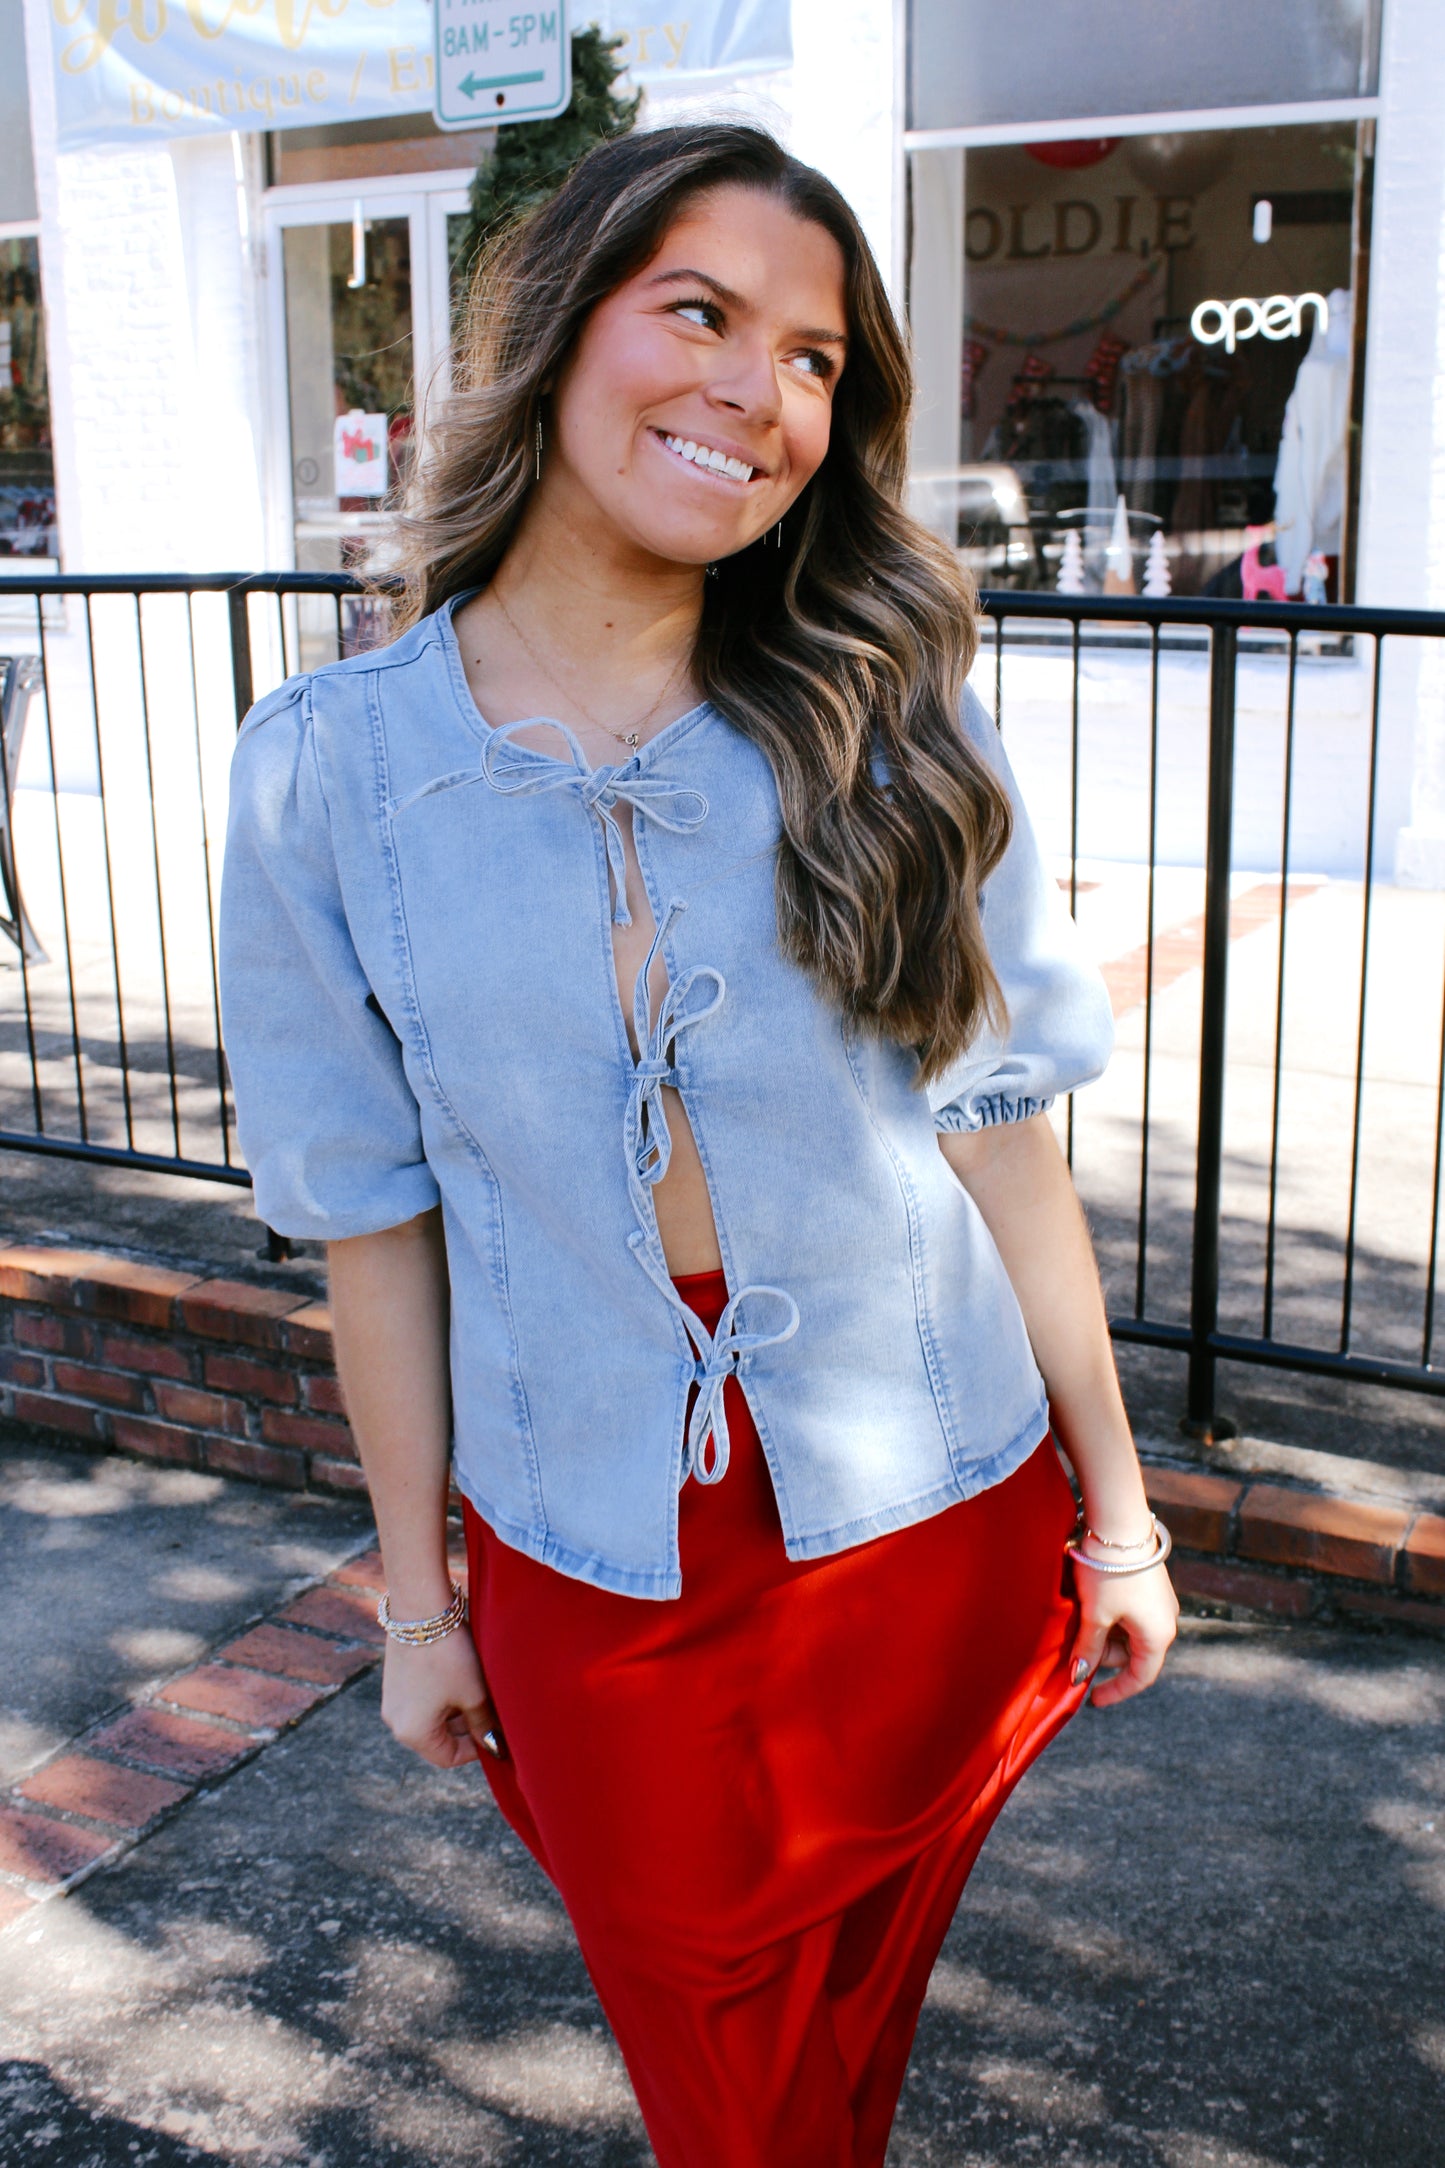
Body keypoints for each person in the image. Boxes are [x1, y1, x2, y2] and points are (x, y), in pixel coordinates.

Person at [219, 122, 1178, 2168]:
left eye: (819, 359)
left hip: (928, 1518)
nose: (763, 393)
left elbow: (1005, 1143)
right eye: (705, 314)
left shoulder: (891, 718)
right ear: (566, 333)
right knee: (733, 2100)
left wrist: (1120, 1509)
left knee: (833, 2065)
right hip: (593, 1572)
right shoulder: (327, 775)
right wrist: (417, 1602)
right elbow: (369, 1228)